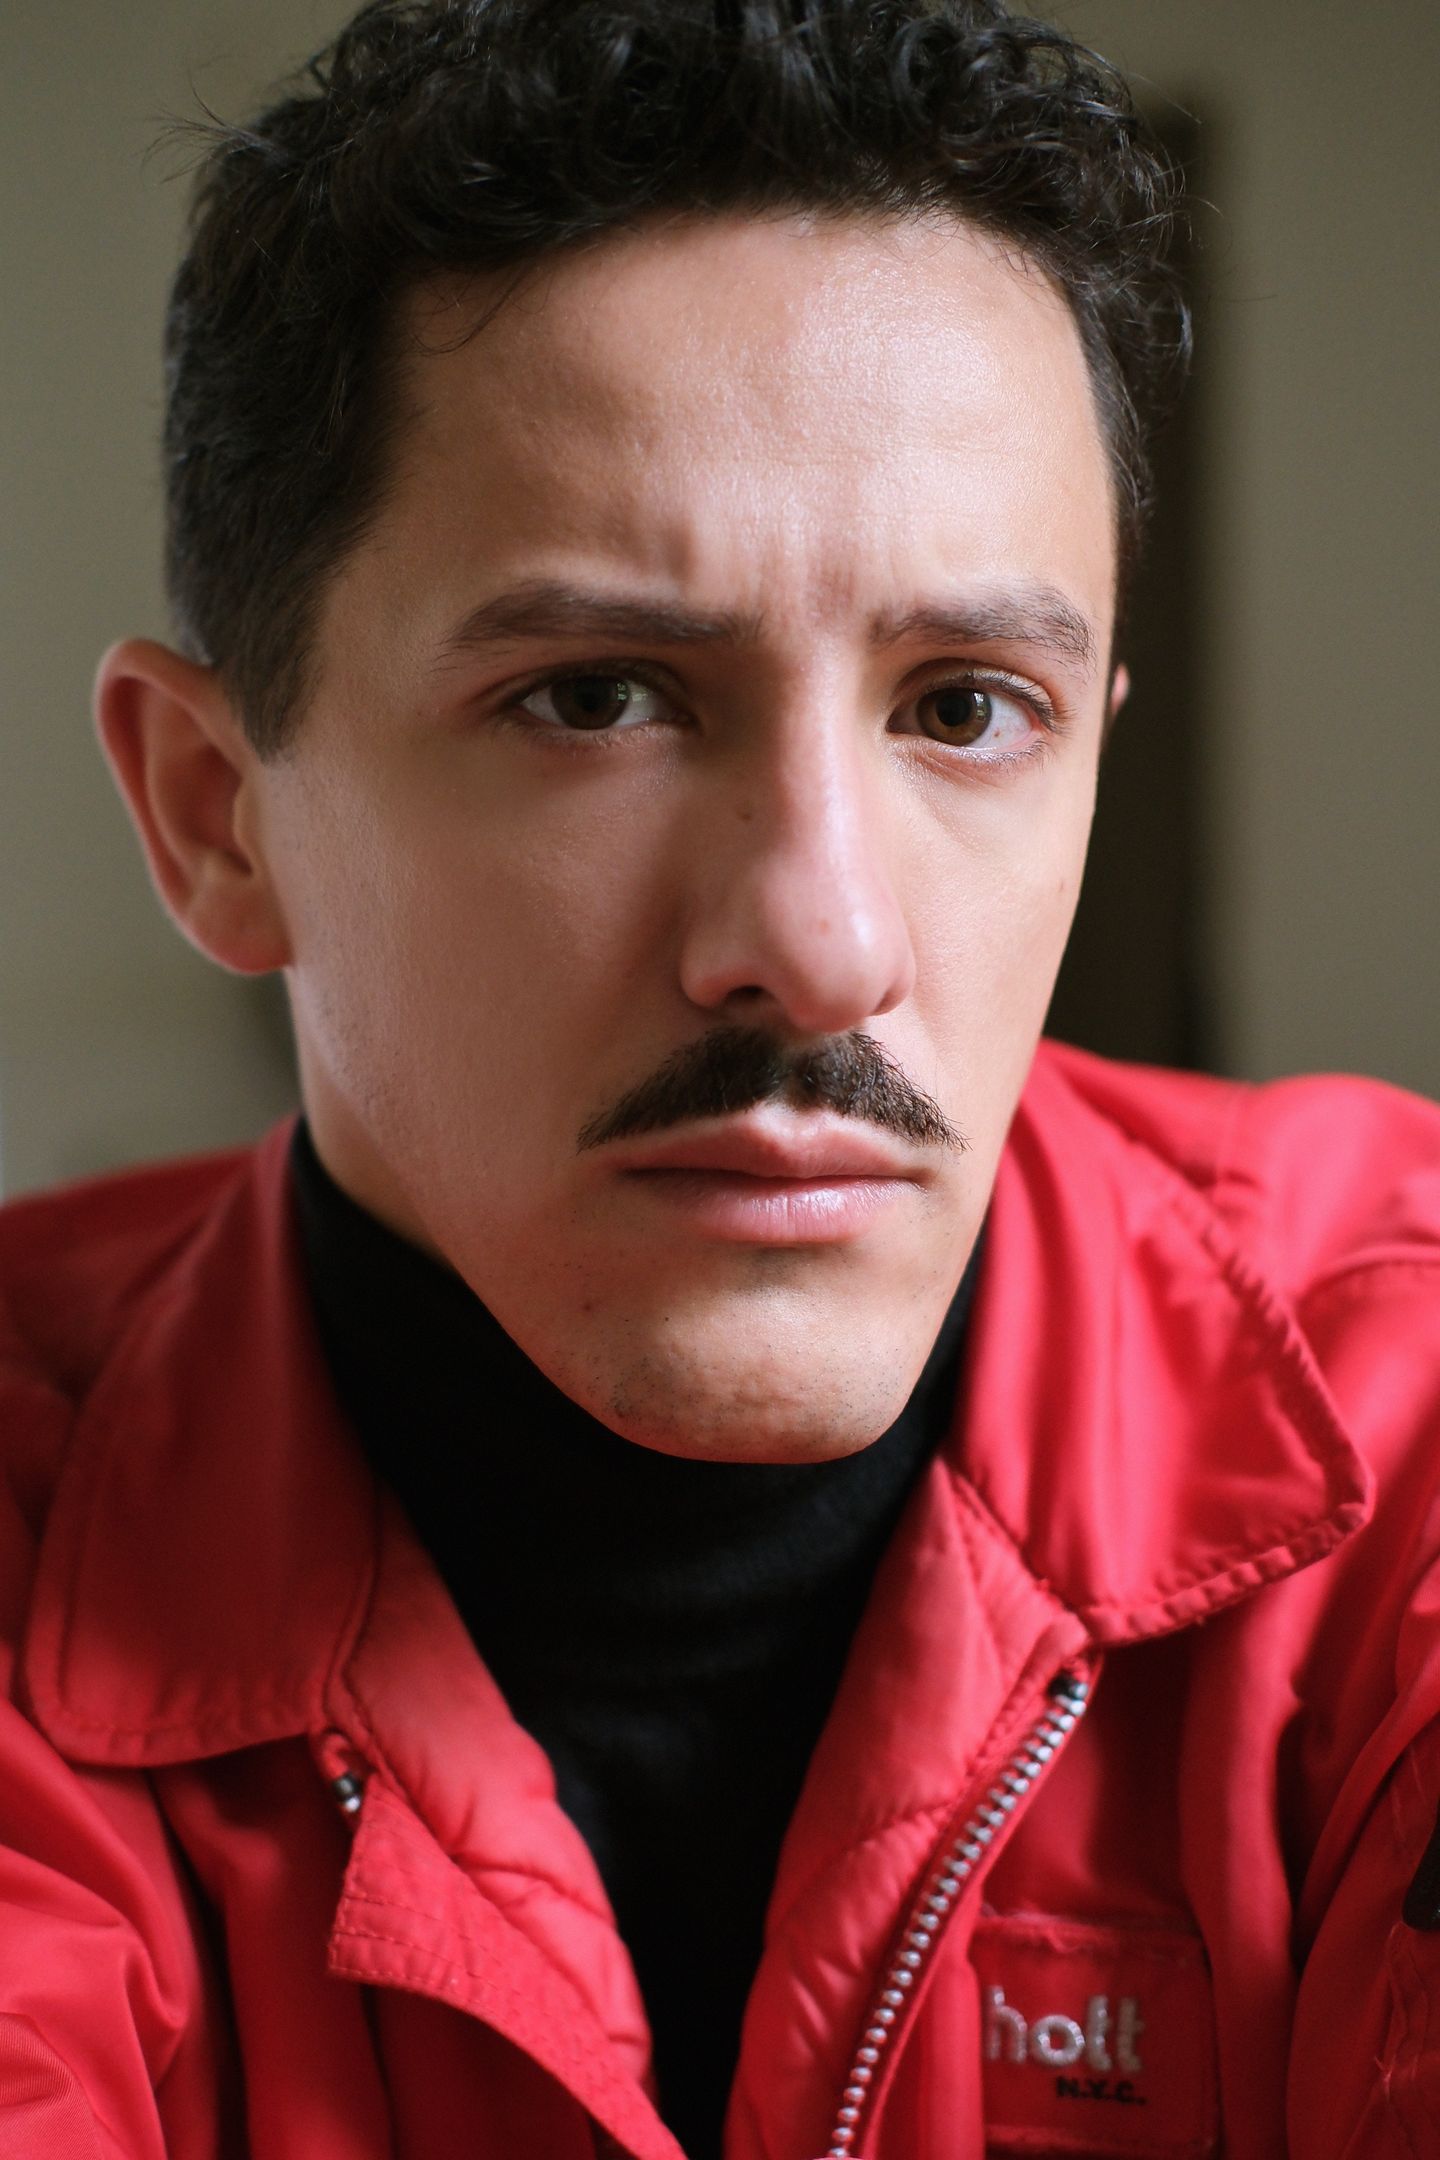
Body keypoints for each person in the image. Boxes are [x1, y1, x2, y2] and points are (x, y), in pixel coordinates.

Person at [1, 0, 1437, 2153]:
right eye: (598, 696)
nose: (825, 941)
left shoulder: (1410, 1419)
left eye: (965, 708)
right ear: (219, 814)